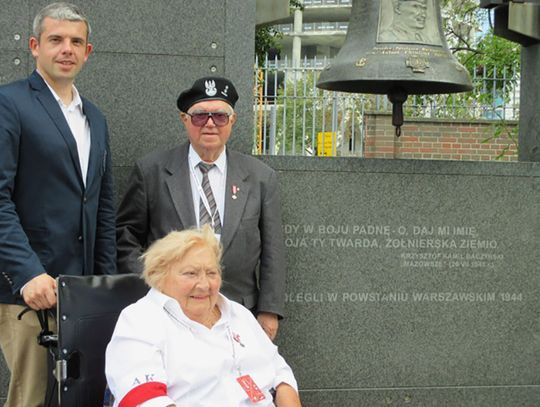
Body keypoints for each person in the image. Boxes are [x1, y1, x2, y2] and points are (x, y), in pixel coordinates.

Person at [0, 3, 116, 406]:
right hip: (30, 293)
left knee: (83, 397)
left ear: (88, 52)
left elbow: (102, 208)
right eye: (56, 40)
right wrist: (27, 272)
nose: (66, 48)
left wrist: (108, 286)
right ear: (34, 46)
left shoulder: (95, 119)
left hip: (83, 294)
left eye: (76, 41)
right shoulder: (9, 104)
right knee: (32, 398)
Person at [116, 76, 286, 339]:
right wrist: (153, 284)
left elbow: (273, 249)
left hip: (239, 311)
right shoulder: (152, 172)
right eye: (199, 116)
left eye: (219, 116)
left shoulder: (261, 177)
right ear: (185, 120)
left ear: (232, 121)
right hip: (170, 310)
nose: (209, 123)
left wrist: (269, 310)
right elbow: (125, 236)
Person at [106, 226, 301, 407]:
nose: (204, 284)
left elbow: (281, 375)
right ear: (159, 276)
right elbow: (146, 401)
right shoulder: (140, 321)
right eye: (190, 273)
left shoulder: (238, 313)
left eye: (211, 273)